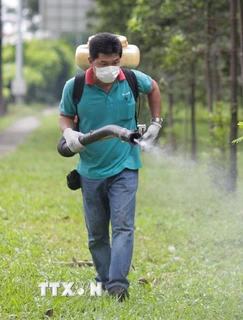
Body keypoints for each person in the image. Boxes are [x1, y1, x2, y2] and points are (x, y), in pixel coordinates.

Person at [58, 32, 162, 301]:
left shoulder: (129, 79)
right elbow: (65, 116)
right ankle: (104, 279)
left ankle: (117, 285)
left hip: (125, 165)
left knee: (123, 227)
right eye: (103, 63)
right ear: (91, 60)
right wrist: (70, 134)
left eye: (115, 62)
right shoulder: (76, 85)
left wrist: (156, 122)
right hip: (90, 170)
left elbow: (153, 87)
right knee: (96, 235)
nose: (110, 68)